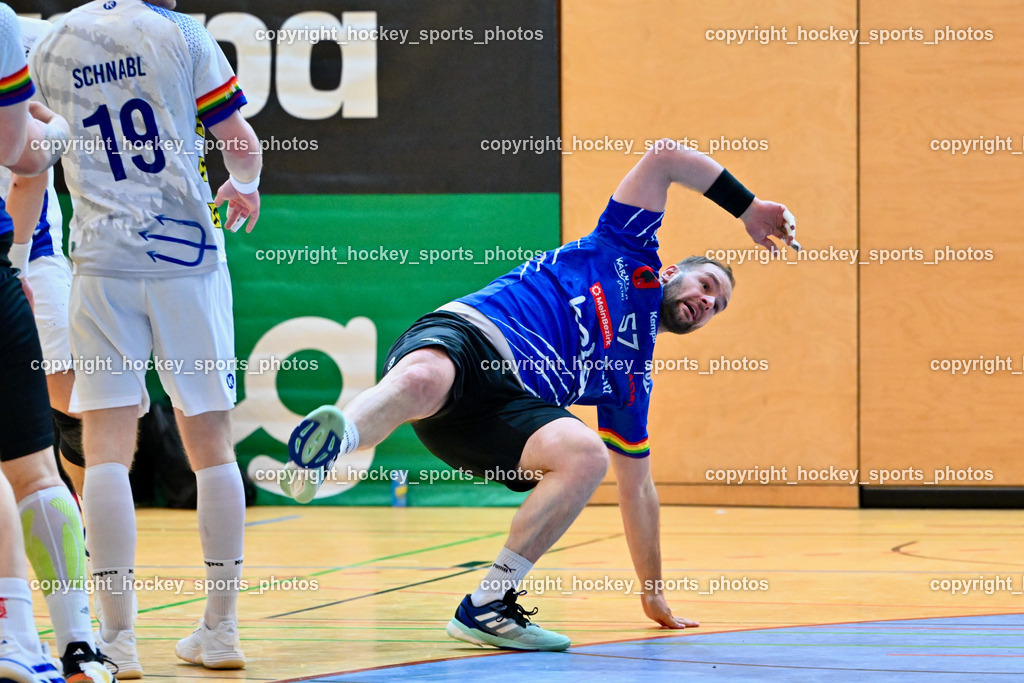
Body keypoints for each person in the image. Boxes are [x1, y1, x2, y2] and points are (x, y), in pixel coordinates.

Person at [283, 140, 797, 651]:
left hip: (496, 418)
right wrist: (748, 207)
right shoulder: (626, 245)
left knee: (587, 455)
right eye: (706, 285)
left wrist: (654, 593)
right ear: (669, 274)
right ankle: (328, 450)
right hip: (475, 337)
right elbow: (665, 157)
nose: (707, 302)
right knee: (421, 378)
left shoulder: (632, 377)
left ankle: (488, 604)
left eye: (717, 306)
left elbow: (637, 490)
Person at [30, 0, 262, 675]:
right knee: (211, 442)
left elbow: (29, 143)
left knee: (102, 446)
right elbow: (239, 141)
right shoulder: (185, 32)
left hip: (101, 259)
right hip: (187, 255)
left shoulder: (52, 38)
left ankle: (117, 639)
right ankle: (220, 629)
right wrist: (242, 186)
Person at [0, 6, 114, 683]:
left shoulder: (44, 31)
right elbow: (27, 152)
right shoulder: (14, 24)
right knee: (30, 457)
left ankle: (40, 629)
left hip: (32, 248)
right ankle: (76, 636)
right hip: (18, 252)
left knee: (67, 407)